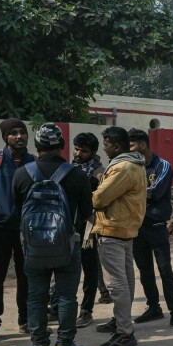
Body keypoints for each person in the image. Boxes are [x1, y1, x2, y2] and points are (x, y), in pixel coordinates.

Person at [13, 123, 93, 346]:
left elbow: (17, 210)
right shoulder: (77, 174)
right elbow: (87, 212)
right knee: (67, 295)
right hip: (67, 244)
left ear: (36, 147)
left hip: (34, 247)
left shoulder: (22, 173)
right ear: (62, 146)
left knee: (36, 297)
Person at [127, 128, 173, 330]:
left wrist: (131, 193)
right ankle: (153, 307)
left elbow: (156, 192)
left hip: (156, 226)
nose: (129, 150)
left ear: (143, 144)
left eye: (131, 145)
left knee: (165, 270)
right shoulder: (132, 166)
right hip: (138, 227)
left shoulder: (162, 165)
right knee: (145, 270)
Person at [92, 127, 147, 346]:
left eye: (105, 145)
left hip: (113, 229)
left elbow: (99, 198)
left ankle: (124, 332)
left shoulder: (122, 167)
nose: (104, 149)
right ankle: (121, 321)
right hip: (125, 228)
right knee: (125, 279)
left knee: (117, 283)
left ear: (115, 145)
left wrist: (96, 187)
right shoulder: (135, 164)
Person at [0, 118, 34, 338]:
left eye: (22, 132)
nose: (19, 136)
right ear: (6, 137)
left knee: (27, 275)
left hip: (26, 229)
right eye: (13, 133)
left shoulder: (33, 162)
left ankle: (25, 319)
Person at [66, 133, 109, 328]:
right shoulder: (68, 169)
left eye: (83, 151)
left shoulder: (99, 173)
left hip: (88, 225)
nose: (78, 153)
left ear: (92, 152)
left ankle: (86, 310)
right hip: (67, 223)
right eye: (76, 149)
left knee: (89, 268)